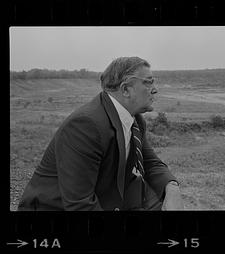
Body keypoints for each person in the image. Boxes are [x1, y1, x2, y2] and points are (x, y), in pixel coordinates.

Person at [18, 56, 184, 211]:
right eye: (148, 83)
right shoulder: (85, 126)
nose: (155, 90)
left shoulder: (135, 120)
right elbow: (80, 204)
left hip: (104, 197)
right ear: (125, 89)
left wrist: (172, 187)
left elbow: (150, 162)